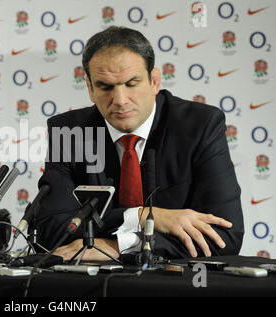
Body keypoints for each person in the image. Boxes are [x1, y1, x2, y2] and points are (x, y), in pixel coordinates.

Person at [36, 26, 244, 260]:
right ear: (90, 89)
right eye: (105, 87)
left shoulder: (199, 126)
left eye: (132, 83)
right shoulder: (69, 131)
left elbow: (224, 236)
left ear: (154, 81)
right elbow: (49, 232)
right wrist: (142, 216)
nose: (120, 100)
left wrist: (119, 246)